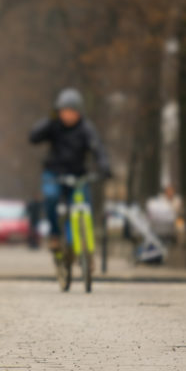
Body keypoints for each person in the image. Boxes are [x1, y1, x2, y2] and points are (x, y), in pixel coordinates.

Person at [29, 88, 111, 253]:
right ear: (59, 112)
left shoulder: (86, 129)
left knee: (82, 205)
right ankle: (54, 234)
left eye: (72, 112)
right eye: (64, 111)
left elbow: (98, 149)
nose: (68, 115)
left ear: (79, 112)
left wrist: (104, 165)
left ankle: (76, 245)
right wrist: (49, 121)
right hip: (53, 173)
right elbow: (33, 137)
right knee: (51, 197)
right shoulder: (53, 125)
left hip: (78, 175)